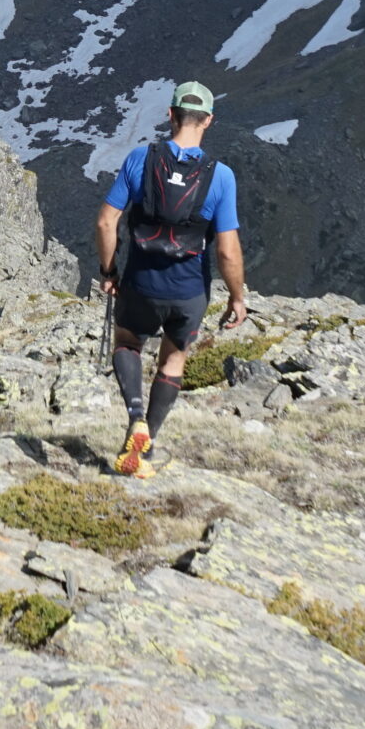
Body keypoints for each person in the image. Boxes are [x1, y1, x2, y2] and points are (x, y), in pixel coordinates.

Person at [95, 79, 246, 477]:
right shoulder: (221, 176)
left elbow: (106, 222)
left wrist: (109, 271)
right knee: (173, 360)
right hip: (189, 292)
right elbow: (227, 250)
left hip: (141, 283)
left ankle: (135, 418)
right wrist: (236, 296)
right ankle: (146, 449)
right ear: (208, 120)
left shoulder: (140, 159)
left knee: (127, 343)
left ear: (170, 115)